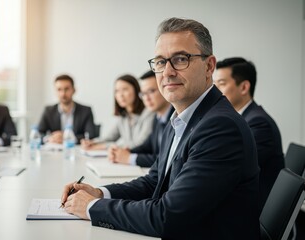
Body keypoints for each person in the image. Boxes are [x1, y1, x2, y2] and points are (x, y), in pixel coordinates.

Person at [61, 18, 260, 239]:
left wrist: (92, 207)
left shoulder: (220, 127)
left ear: (209, 66)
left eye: (180, 59)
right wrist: (100, 193)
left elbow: (169, 217)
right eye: (160, 62)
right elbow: (155, 181)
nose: (167, 72)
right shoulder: (180, 117)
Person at [214, 57, 285, 211]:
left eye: (221, 84)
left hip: (251, 212)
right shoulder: (243, 118)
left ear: (244, 87)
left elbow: (228, 169)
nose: (214, 90)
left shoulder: (258, 123)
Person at [108, 70, 173, 167]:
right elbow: (147, 146)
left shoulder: (176, 118)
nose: (146, 98)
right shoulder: (158, 118)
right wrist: (125, 152)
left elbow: (168, 160)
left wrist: (129, 158)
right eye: (143, 94)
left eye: (151, 91)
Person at [81, 74, 154, 150]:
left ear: (137, 90)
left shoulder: (149, 112)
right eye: (117, 91)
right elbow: (110, 137)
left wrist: (104, 146)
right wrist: (92, 142)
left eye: (125, 89)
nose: (120, 95)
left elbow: (139, 144)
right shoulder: (124, 116)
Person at [38, 74, 96, 144]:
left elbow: (91, 135)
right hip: (54, 152)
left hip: (76, 151)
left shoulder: (86, 111)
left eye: (66, 89)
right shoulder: (48, 111)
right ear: (55, 92)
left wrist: (67, 138)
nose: (63, 94)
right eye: (59, 89)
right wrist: (49, 138)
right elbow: (38, 134)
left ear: (74, 90)